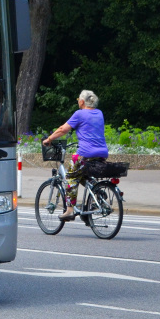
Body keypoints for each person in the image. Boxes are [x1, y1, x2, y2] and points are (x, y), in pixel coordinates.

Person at [42, 89, 109, 221]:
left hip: (85, 153)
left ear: (82, 101)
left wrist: (49, 139)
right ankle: (98, 193)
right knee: (82, 175)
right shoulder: (99, 113)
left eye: (78, 99)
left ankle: (70, 210)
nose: (78, 101)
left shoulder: (80, 114)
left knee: (71, 178)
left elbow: (63, 129)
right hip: (102, 153)